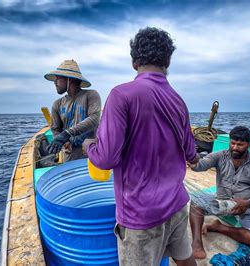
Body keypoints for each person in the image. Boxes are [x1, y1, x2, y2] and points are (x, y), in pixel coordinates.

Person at [83, 27, 199, 266]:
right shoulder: (178, 100)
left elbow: (105, 159)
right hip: (177, 203)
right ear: (168, 61)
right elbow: (191, 153)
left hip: (141, 215)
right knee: (185, 260)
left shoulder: (121, 95)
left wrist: (89, 147)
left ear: (134, 62)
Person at [188, 126, 250, 259]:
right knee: (196, 202)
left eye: (240, 145)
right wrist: (192, 160)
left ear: (249, 145)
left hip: (248, 208)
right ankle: (197, 243)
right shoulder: (219, 156)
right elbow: (201, 165)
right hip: (222, 202)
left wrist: (247, 203)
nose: (235, 147)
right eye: (233, 143)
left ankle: (219, 227)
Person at [43, 59, 101, 162]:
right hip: (70, 158)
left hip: (92, 156)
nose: (54, 82)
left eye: (58, 78)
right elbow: (56, 129)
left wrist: (66, 134)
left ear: (70, 79)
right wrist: (64, 142)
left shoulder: (91, 95)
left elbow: (94, 119)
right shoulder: (57, 104)